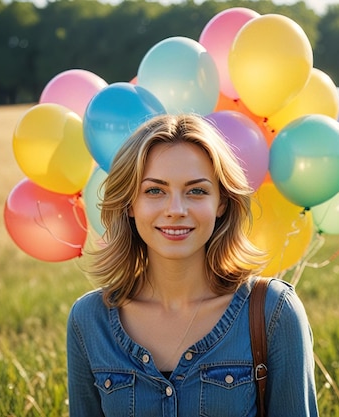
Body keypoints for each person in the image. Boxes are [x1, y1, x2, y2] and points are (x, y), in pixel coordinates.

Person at [67, 113, 319, 416]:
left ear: (221, 202)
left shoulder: (273, 312)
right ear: (130, 203)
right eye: (154, 190)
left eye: (196, 191)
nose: (176, 210)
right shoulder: (90, 321)